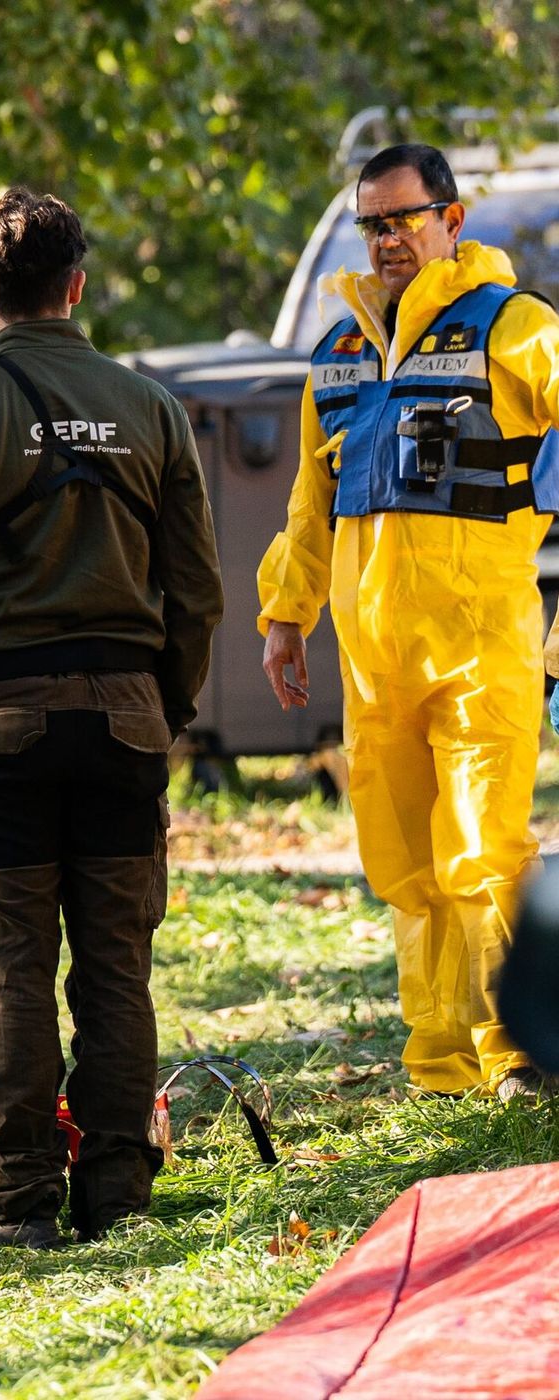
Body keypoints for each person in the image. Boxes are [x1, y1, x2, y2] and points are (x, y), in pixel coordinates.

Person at [0, 189, 223, 1249]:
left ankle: (17, 1201)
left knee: (10, 972)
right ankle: (119, 1191)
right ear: (76, 284)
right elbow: (197, 587)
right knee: (115, 968)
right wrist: (164, 701)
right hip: (125, 714)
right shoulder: (154, 409)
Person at [259, 142, 559, 1102]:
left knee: (482, 855)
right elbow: (313, 499)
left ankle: (516, 1055)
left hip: (482, 649)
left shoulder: (512, 325)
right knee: (405, 867)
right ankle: (441, 1064)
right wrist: (284, 614)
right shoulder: (338, 354)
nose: (390, 238)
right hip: (375, 663)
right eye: (374, 223)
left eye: (406, 217)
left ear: (452, 219)